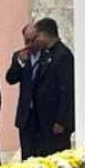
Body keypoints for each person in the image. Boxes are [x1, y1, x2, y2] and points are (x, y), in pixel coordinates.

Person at [30, 18, 74, 157]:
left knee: (56, 156)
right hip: (43, 120)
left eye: (37, 36)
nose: (35, 39)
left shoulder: (63, 55)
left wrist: (61, 121)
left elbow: (66, 90)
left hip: (55, 120)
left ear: (44, 34)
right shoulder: (45, 54)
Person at [5, 22, 41, 159]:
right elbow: (10, 79)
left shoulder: (47, 55)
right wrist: (19, 63)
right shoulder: (19, 55)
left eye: (34, 40)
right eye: (27, 41)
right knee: (27, 157)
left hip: (43, 115)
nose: (30, 44)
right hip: (26, 115)